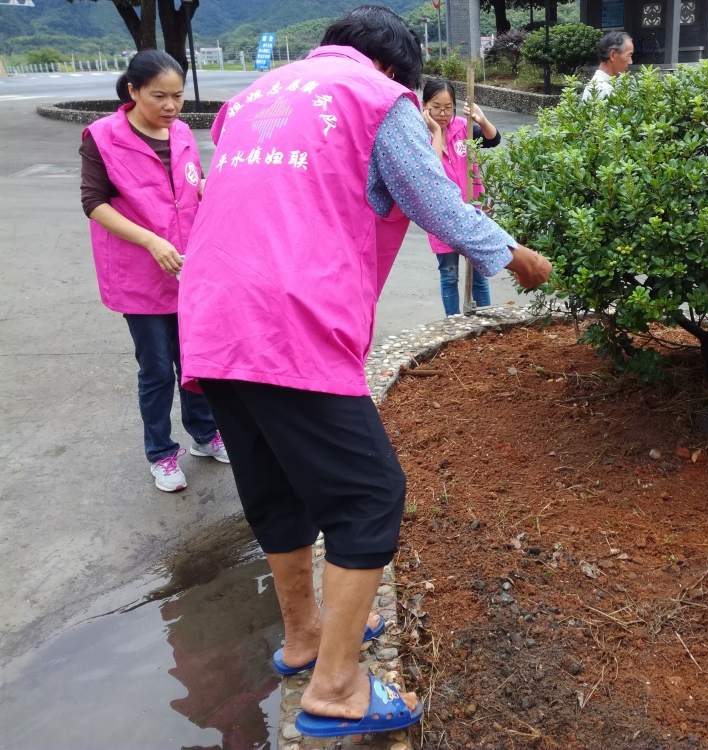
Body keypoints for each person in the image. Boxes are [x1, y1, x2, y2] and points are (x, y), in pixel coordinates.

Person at [177, 5, 551, 739]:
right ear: (396, 71)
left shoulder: (252, 97)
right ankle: (338, 687)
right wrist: (514, 254)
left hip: (211, 314)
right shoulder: (381, 99)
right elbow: (432, 196)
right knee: (370, 497)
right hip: (291, 321)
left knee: (276, 486)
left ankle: (305, 637)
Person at [79, 50, 228, 493]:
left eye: (177, 96)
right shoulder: (102, 136)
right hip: (139, 275)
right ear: (132, 91)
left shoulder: (180, 131)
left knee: (196, 361)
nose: (170, 106)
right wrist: (149, 239)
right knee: (158, 369)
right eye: (158, 96)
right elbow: (94, 203)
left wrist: (208, 188)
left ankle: (203, 434)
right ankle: (162, 453)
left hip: (188, 269)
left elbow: (190, 183)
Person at [422, 78, 501, 315]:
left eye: (448, 107)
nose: (443, 113)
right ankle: (452, 324)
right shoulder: (418, 136)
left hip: (474, 213)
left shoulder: (464, 128)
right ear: (424, 105)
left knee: (479, 276)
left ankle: (484, 322)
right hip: (443, 217)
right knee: (449, 275)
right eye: (436, 107)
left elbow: (493, 139)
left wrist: (481, 119)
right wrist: (436, 131)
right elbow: (432, 168)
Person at [583, 30, 634, 101]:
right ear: (613, 55)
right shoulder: (605, 89)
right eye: (629, 55)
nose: (630, 62)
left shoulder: (597, 85)